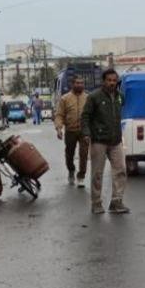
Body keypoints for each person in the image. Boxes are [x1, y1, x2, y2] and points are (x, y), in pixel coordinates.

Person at [81, 69, 129, 214]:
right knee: (97, 173)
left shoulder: (120, 97)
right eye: (109, 80)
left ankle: (116, 202)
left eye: (114, 80)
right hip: (99, 141)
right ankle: (96, 203)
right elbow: (85, 117)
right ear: (103, 81)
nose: (112, 83)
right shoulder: (94, 97)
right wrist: (86, 133)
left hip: (115, 140)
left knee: (120, 170)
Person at [55, 74, 89, 187]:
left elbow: (93, 115)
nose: (79, 85)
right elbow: (59, 115)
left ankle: (81, 176)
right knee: (69, 154)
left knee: (84, 154)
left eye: (81, 83)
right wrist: (59, 129)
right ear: (72, 84)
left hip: (84, 131)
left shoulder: (88, 98)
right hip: (70, 130)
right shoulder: (65, 98)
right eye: (77, 83)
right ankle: (71, 170)